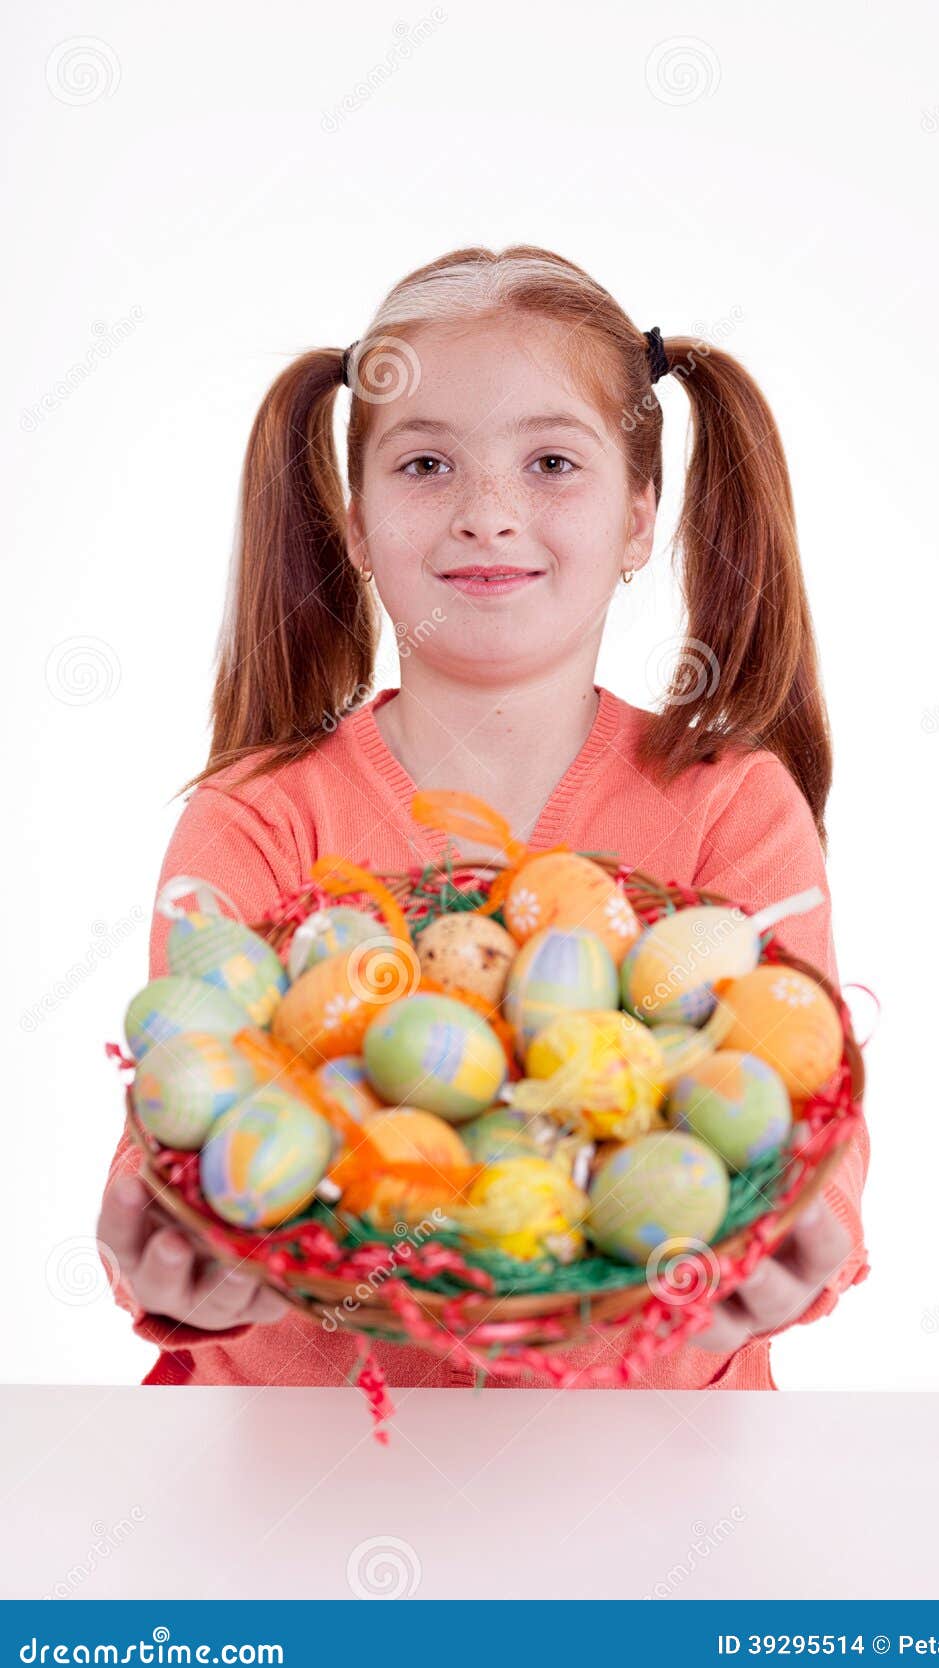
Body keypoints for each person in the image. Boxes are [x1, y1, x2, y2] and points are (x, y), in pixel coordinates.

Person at [97, 244, 870, 1391]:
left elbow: (798, 1128)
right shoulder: (256, 819)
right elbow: (183, 1121)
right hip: (287, 1493)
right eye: (424, 466)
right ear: (355, 524)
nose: (487, 514)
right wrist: (170, 1263)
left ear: (636, 517)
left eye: (552, 460)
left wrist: (798, 1242)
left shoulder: (728, 807)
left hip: (645, 1492)